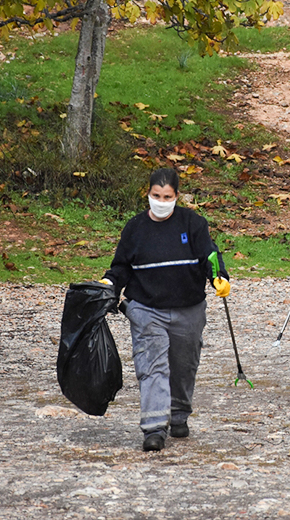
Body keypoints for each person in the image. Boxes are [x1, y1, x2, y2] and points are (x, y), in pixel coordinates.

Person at [101, 168, 230, 452]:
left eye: (167, 196)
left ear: (176, 196)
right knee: (152, 367)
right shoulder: (134, 229)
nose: (161, 201)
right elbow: (120, 266)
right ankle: (154, 428)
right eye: (156, 196)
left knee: (184, 365)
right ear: (147, 195)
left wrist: (218, 276)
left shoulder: (193, 223)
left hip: (188, 308)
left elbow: (210, 253)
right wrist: (108, 283)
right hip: (146, 308)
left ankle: (179, 414)